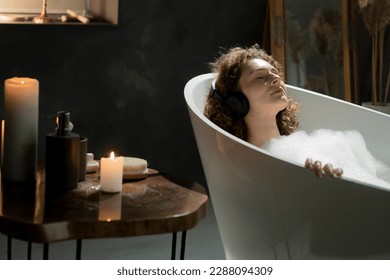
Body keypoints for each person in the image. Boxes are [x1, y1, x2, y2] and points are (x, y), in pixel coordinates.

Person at [204, 44, 343, 178]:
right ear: (235, 102)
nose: (277, 79)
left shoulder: (305, 151)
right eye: (260, 77)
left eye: (276, 73)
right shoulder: (239, 170)